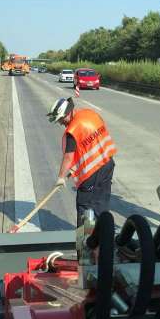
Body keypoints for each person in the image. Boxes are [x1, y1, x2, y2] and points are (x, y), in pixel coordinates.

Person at [47, 97, 117, 227]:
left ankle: (84, 241)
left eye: (62, 119)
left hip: (92, 173)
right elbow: (89, 144)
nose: (61, 123)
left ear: (68, 113)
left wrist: (61, 177)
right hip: (108, 164)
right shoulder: (90, 114)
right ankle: (102, 237)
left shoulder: (73, 130)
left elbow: (68, 157)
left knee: (84, 207)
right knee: (101, 204)